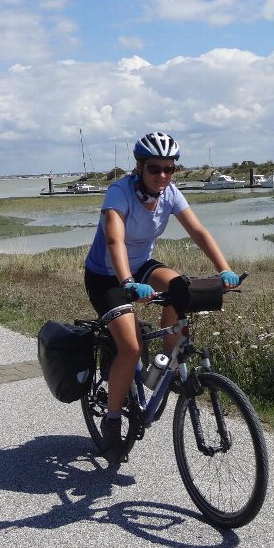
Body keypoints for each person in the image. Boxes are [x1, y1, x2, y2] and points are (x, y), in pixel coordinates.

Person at [84, 130, 240, 460]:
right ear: (140, 167)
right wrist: (127, 282)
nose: (163, 176)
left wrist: (224, 268)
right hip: (106, 275)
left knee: (180, 288)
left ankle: (167, 365)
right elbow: (114, 243)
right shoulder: (119, 193)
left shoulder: (169, 193)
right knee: (130, 347)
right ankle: (112, 420)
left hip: (141, 266)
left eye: (170, 169)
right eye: (155, 169)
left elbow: (198, 230)